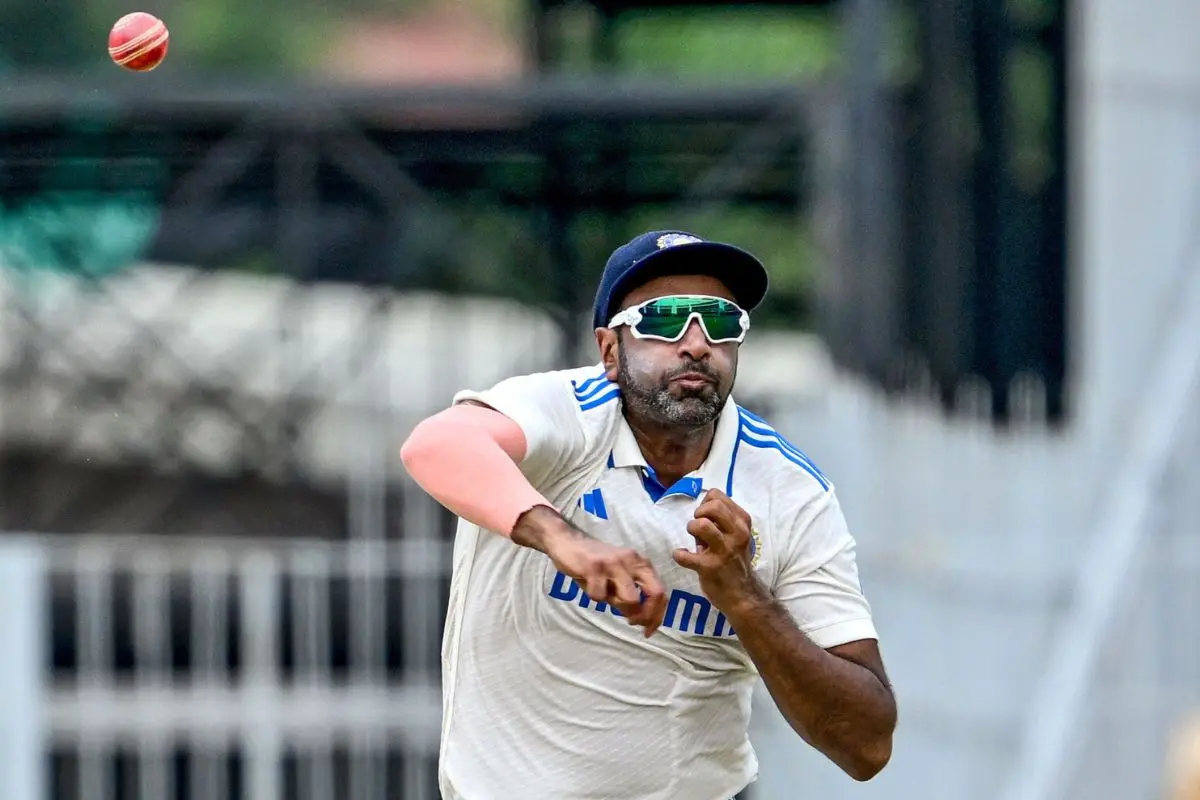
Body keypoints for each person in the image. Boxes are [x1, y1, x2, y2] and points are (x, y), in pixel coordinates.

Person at [400, 230, 897, 800]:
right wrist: (566, 541)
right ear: (610, 351)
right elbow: (434, 444)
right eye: (664, 320)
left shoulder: (790, 491)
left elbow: (866, 745)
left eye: (720, 321)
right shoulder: (569, 414)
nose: (696, 343)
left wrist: (743, 596)